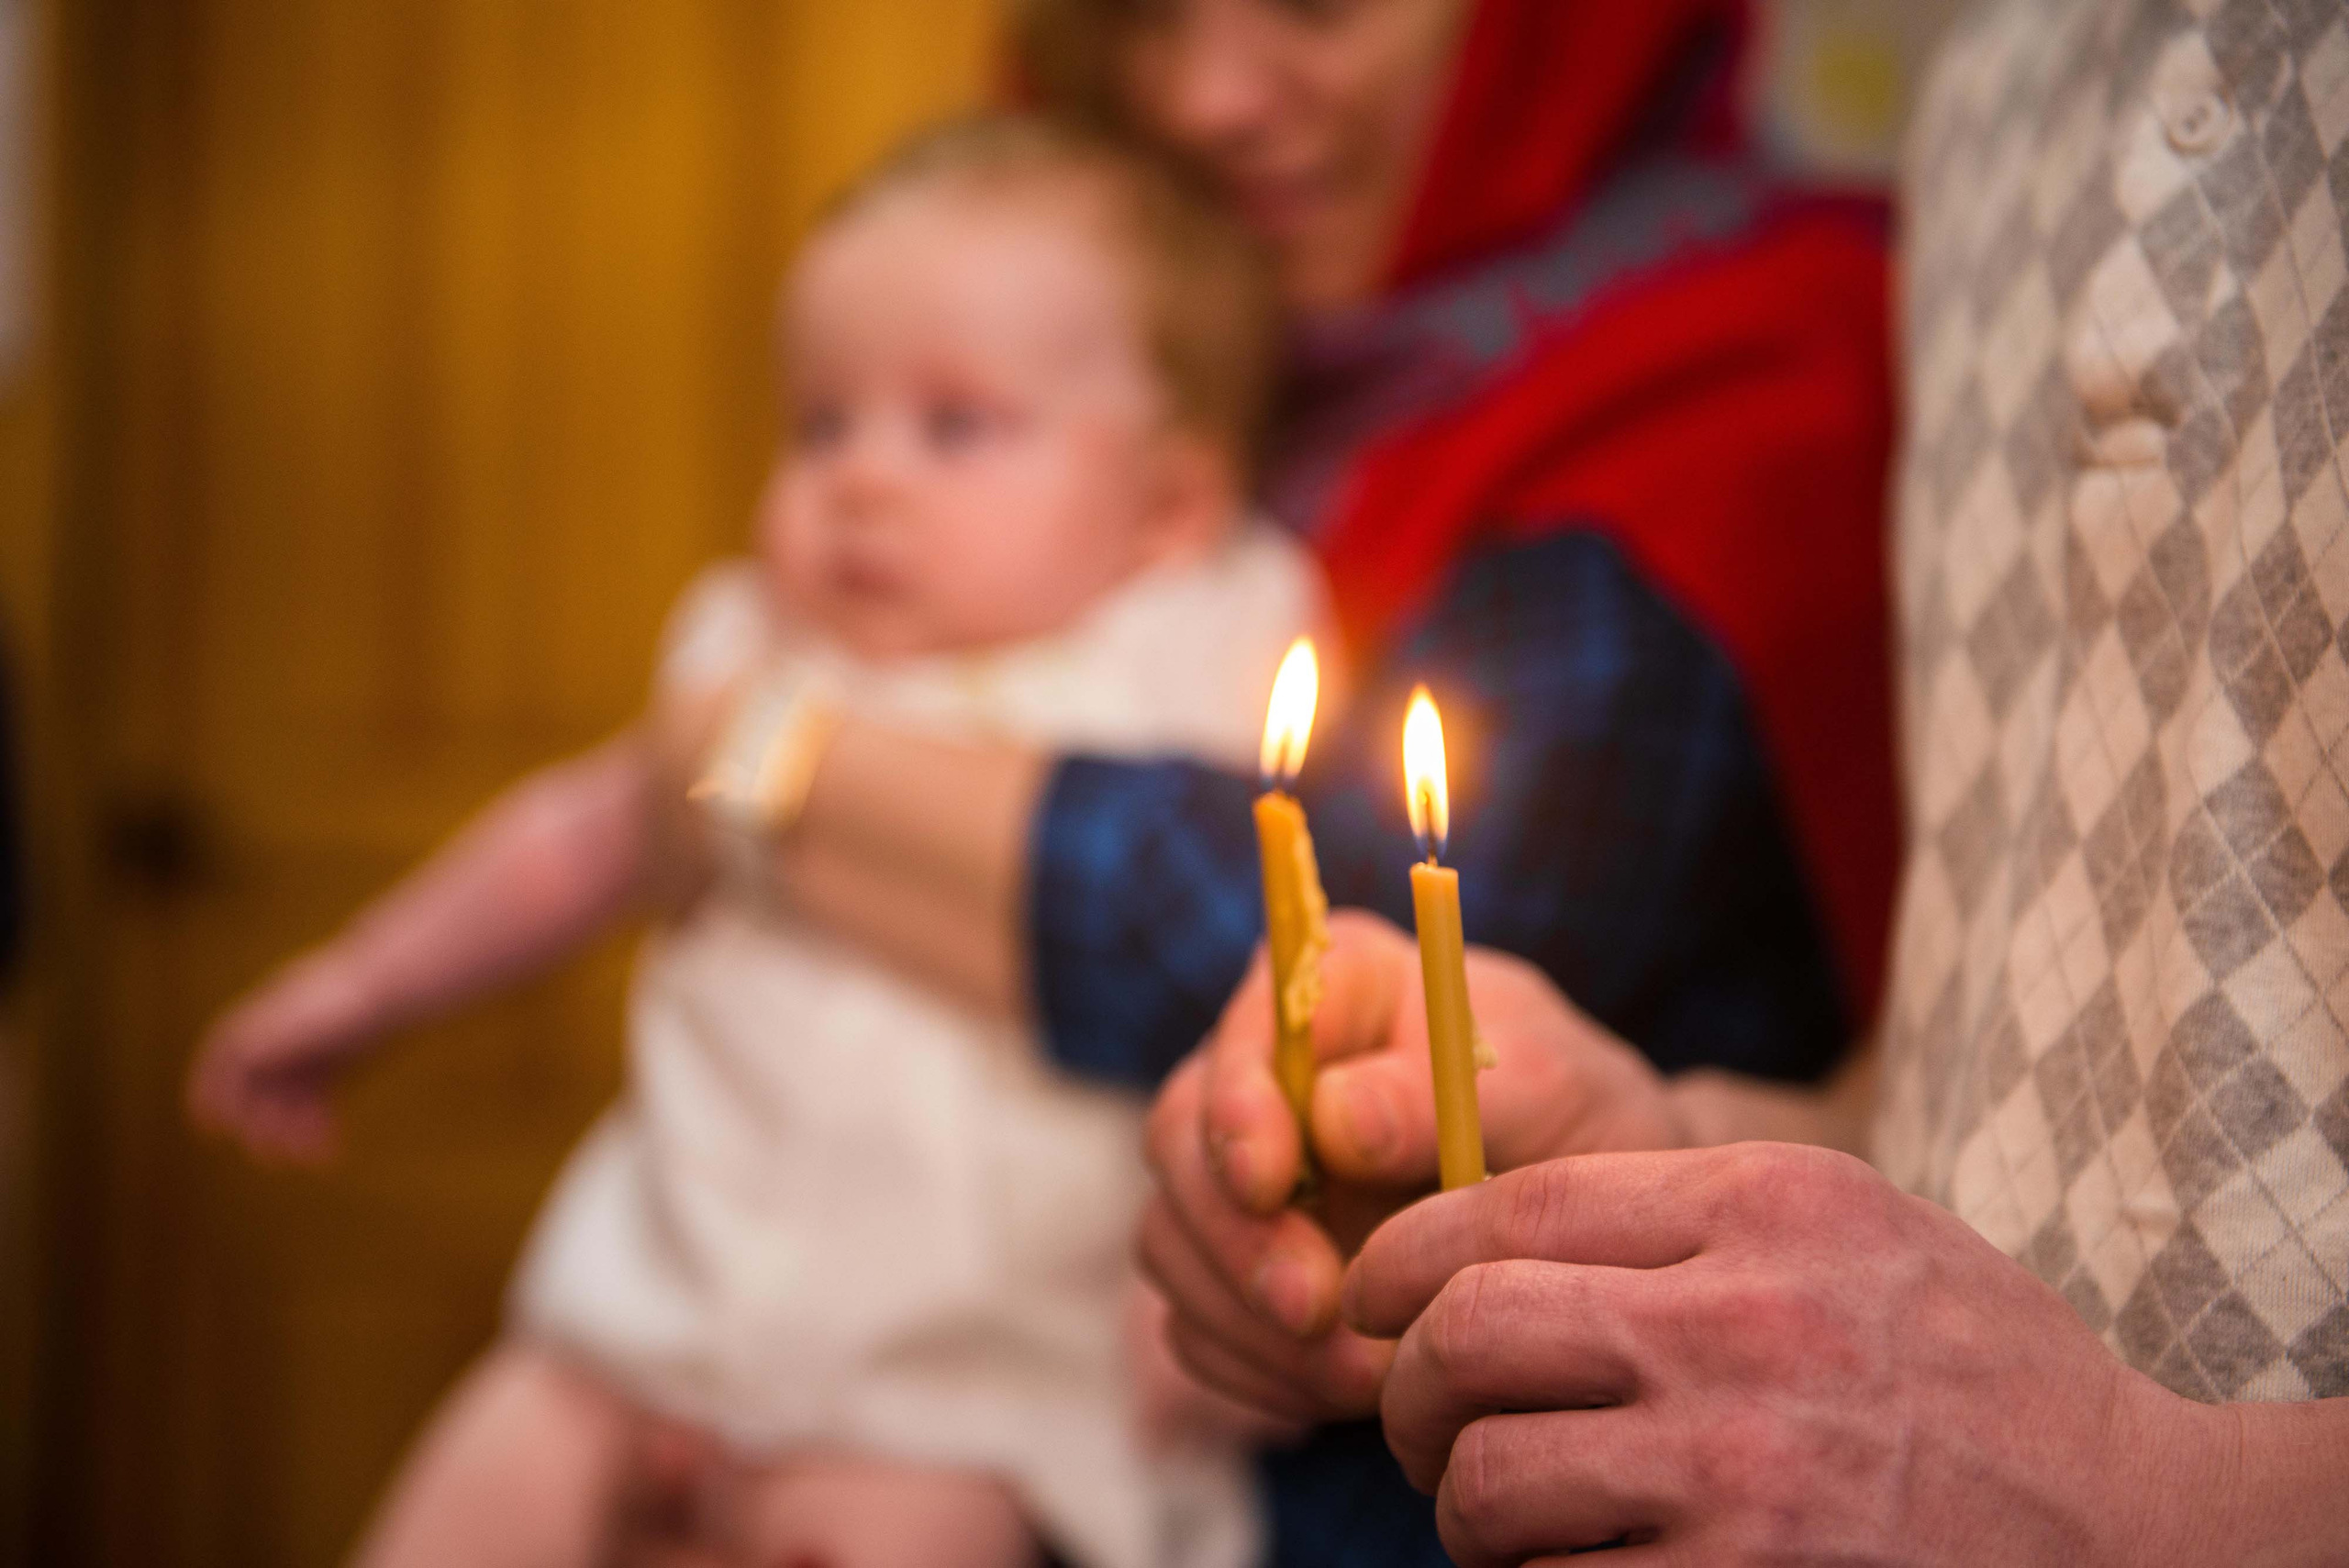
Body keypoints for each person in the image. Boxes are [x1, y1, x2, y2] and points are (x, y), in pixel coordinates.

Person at [1141, 0, 2349, 1560]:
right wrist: (1656, 1145)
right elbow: (2051, 1058)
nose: (1207, 95)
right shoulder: (2001, 89)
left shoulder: (1766, 329)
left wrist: (2175, 1494)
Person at [757, 4, 1901, 1558]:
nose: (1208, 98)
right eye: (1140, 17)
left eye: (1315, 4)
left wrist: (732, 760)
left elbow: (1345, 921)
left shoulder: (1759, 352)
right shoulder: (1163, 361)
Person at [186, 117, 1315, 1568]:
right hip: (648, 1317)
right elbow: (575, 840)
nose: (861, 478)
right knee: (482, 1477)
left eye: (955, 424)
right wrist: (366, 982)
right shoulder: (763, 651)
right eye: (819, 423)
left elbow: (1262, 966)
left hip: (964, 1387)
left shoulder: (1200, 661)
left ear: (1168, 503)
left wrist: (1230, 1240)